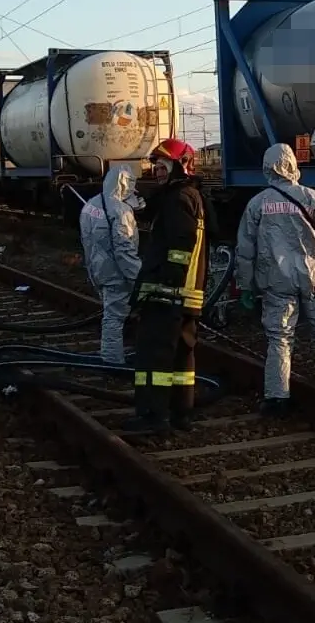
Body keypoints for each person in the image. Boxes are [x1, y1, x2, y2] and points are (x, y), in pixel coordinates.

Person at [234, 143, 315, 417]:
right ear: (293, 165)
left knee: (280, 336)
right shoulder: (314, 199)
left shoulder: (257, 204)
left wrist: (246, 284)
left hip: (276, 278)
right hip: (314, 275)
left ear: (267, 168)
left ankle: (277, 396)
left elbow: (245, 248)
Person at [120, 138, 210, 436]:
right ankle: (180, 412)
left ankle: (153, 415)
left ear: (180, 166)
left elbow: (181, 243)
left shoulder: (178, 198)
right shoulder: (189, 195)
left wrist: (167, 280)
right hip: (185, 296)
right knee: (182, 357)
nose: (157, 170)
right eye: (156, 165)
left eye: (163, 165)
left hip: (168, 294)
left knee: (153, 356)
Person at [79, 166, 142, 365]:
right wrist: (138, 279)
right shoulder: (121, 211)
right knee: (114, 318)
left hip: (98, 270)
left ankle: (115, 354)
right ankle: (112, 360)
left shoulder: (91, 205)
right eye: (130, 183)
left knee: (112, 314)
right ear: (124, 183)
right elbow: (124, 250)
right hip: (117, 273)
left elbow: (87, 240)